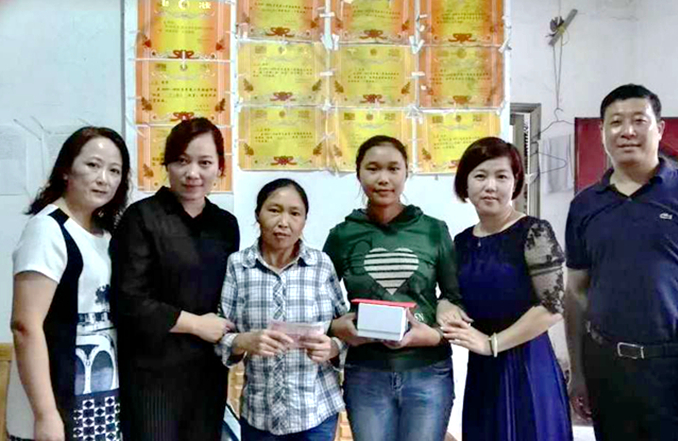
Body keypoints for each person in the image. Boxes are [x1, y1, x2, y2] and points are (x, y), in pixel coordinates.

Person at [565, 84, 678, 440]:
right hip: (609, 369)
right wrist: (579, 373)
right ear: (602, 132)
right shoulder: (585, 206)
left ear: (659, 128)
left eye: (639, 120)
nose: (627, 131)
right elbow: (576, 293)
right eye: (615, 122)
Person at [324, 135, 466, 441]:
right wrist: (336, 327)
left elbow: (455, 297)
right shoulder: (342, 235)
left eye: (393, 168)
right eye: (373, 168)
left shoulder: (433, 230)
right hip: (366, 373)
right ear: (358, 173)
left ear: (406, 172)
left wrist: (434, 335)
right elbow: (320, 300)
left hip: (429, 371)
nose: (383, 179)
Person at [111, 117, 240, 441]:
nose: (192, 173)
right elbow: (129, 301)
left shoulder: (225, 225)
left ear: (220, 167)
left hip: (208, 373)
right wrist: (196, 325)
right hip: (151, 374)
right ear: (166, 164)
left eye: (204, 162)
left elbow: (231, 296)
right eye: (182, 161)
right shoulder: (141, 217)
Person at [440, 137, 573, 440]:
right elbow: (456, 295)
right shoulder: (462, 242)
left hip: (528, 365)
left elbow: (554, 306)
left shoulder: (534, 232)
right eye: (480, 176)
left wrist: (493, 344)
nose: (491, 186)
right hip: (483, 370)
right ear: (465, 184)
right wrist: (445, 304)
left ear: (515, 183)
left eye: (501, 176)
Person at [8, 127, 130, 441]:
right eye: (93, 165)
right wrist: (45, 415)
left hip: (100, 401)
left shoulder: (105, 234)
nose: (104, 178)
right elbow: (25, 326)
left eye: (114, 170)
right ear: (65, 170)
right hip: (56, 404)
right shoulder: (47, 229)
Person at [216, 178, 347, 441]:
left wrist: (333, 347)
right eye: (274, 210)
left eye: (294, 213)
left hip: (316, 410)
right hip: (260, 412)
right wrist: (243, 341)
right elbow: (219, 332)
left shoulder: (321, 265)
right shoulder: (238, 266)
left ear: (304, 220)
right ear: (258, 214)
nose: (284, 222)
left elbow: (344, 327)